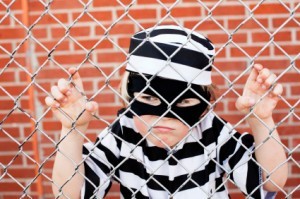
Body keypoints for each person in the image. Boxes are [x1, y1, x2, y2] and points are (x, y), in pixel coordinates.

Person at [46, 25, 288, 199]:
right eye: (148, 98)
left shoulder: (211, 131)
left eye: (183, 103)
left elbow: (271, 181)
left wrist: (261, 120)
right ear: (130, 96)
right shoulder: (123, 133)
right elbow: (71, 194)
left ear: (204, 108)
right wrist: (72, 131)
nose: (164, 115)